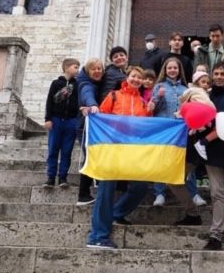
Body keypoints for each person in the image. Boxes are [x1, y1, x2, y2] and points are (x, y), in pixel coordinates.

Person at [173, 61, 224, 250]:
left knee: (217, 192)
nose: (219, 76)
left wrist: (205, 139)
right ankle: (192, 213)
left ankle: (216, 234)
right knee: (172, 179)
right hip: (195, 146)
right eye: (217, 73)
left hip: (217, 149)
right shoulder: (205, 93)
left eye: (223, 74)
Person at [86, 66, 151, 249]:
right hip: (113, 150)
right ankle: (98, 236)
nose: (136, 80)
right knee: (106, 190)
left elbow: (147, 129)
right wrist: (90, 111)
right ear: (127, 77)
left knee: (140, 186)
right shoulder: (114, 96)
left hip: (134, 152)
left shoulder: (144, 104)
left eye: (140, 77)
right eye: (133, 76)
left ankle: (116, 213)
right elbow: (101, 117)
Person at [148, 57, 206, 207]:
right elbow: (153, 108)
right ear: (165, 70)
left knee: (185, 162)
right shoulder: (159, 86)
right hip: (164, 131)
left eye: (175, 68)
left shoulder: (186, 89)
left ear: (179, 70)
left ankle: (194, 194)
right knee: (161, 162)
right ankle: (159, 193)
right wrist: (158, 97)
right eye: (169, 68)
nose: (172, 70)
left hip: (181, 131)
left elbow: (190, 110)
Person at [43, 58, 80, 189]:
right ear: (66, 67)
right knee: (53, 149)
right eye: (75, 67)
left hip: (71, 121)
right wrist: (48, 119)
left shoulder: (78, 85)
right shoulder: (56, 83)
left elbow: (79, 102)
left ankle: (63, 177)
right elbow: (49, 101)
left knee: (67, 150)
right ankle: (51, 177)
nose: (77, 70)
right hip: (56, 120)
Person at [75, 58, 105, 205]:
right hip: (84, 127)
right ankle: (83, 195)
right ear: (88, 71)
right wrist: (92, 105)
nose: (97, 71)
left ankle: (96, 182)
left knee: (94, 155)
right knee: (90, 156)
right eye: (94, 69)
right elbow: (88, 94)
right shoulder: (87, 84)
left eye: (100, 68)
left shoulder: (98, 83)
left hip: (92, 126)